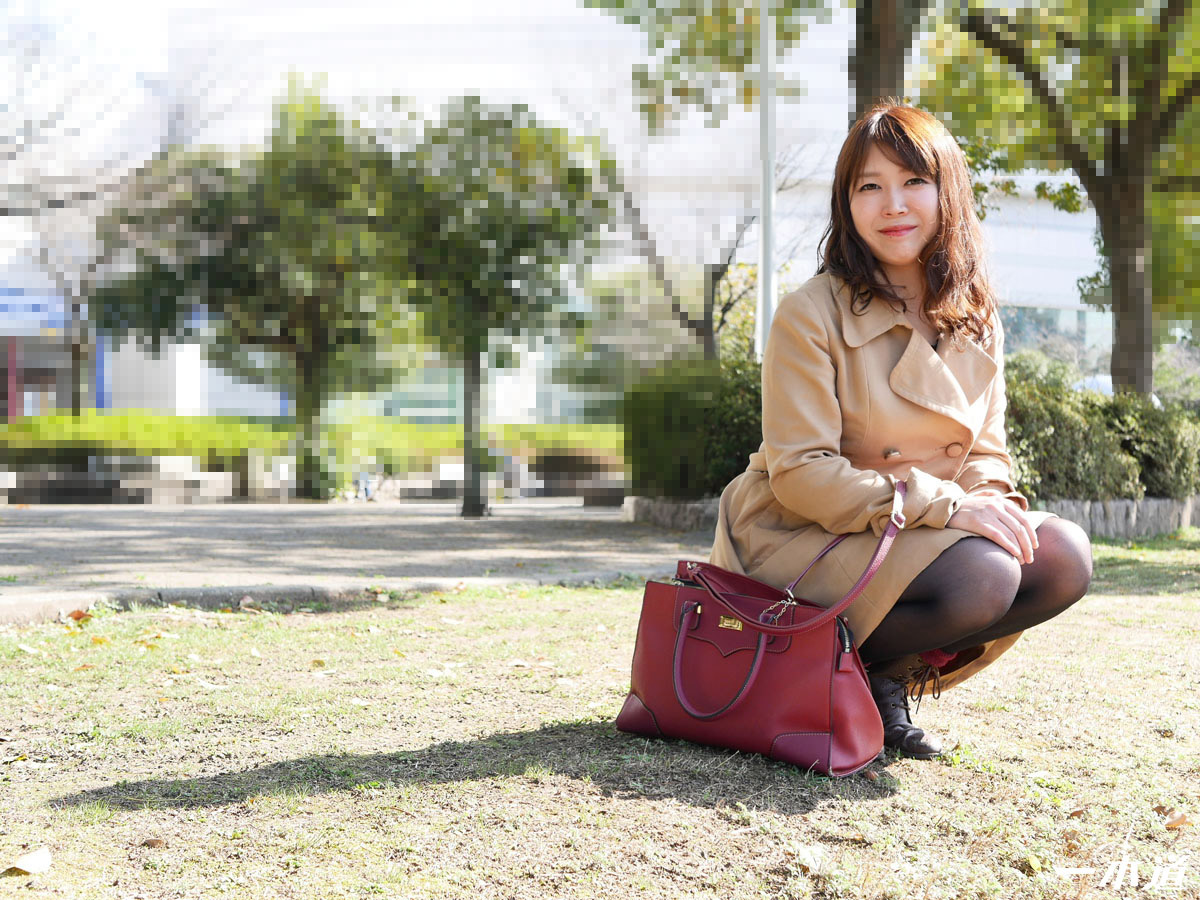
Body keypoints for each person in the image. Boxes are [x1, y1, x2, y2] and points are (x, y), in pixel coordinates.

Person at [709, 102, 1093, 759]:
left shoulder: (975, 316)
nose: (893, 205)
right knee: (983, 575)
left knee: (1061, 557)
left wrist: (988, 504)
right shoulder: (811, 314)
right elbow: (801, 473)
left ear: (948, 192)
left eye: (914, 181)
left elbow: (985, 455)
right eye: (870, 186)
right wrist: (950, 508)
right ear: (847, 203)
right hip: (802, 530)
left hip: (909, 531)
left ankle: (875, 673)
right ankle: (824, 672)